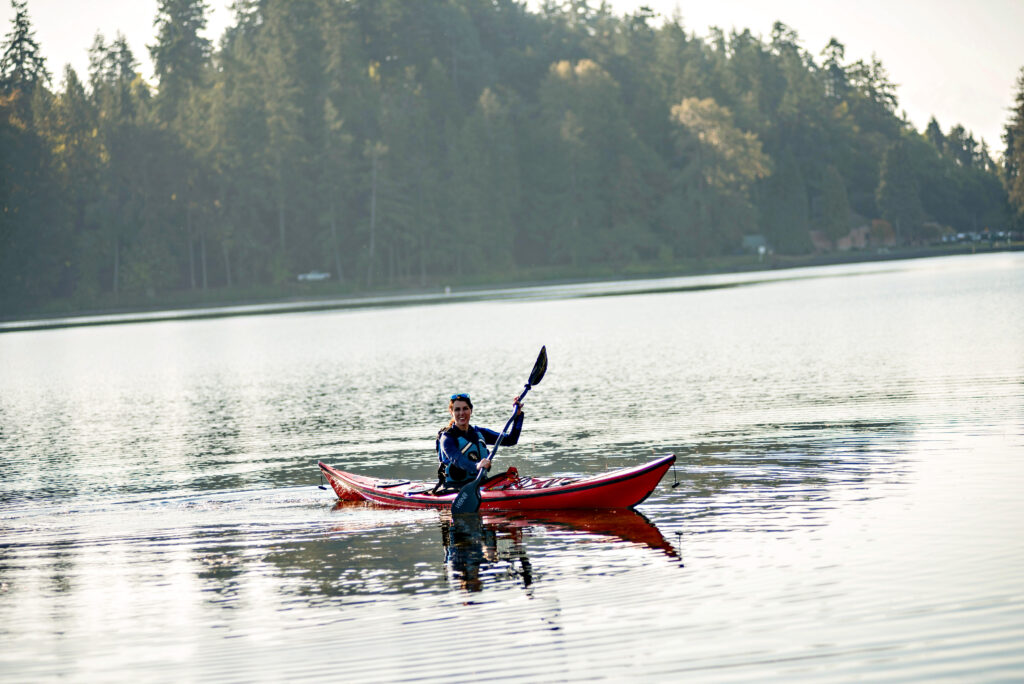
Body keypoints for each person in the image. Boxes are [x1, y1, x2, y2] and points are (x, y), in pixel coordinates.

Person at [435, 392, 524, 492]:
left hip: (481, 483)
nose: (461, 413)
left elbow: (511, 440)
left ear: (471, 410)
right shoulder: (447, 438)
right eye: (457, 409)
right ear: (451, 412)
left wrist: (518, 416)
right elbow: (457, 459)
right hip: (454, 487)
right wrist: (476, 466)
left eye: (465, 408)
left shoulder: (479, 433)